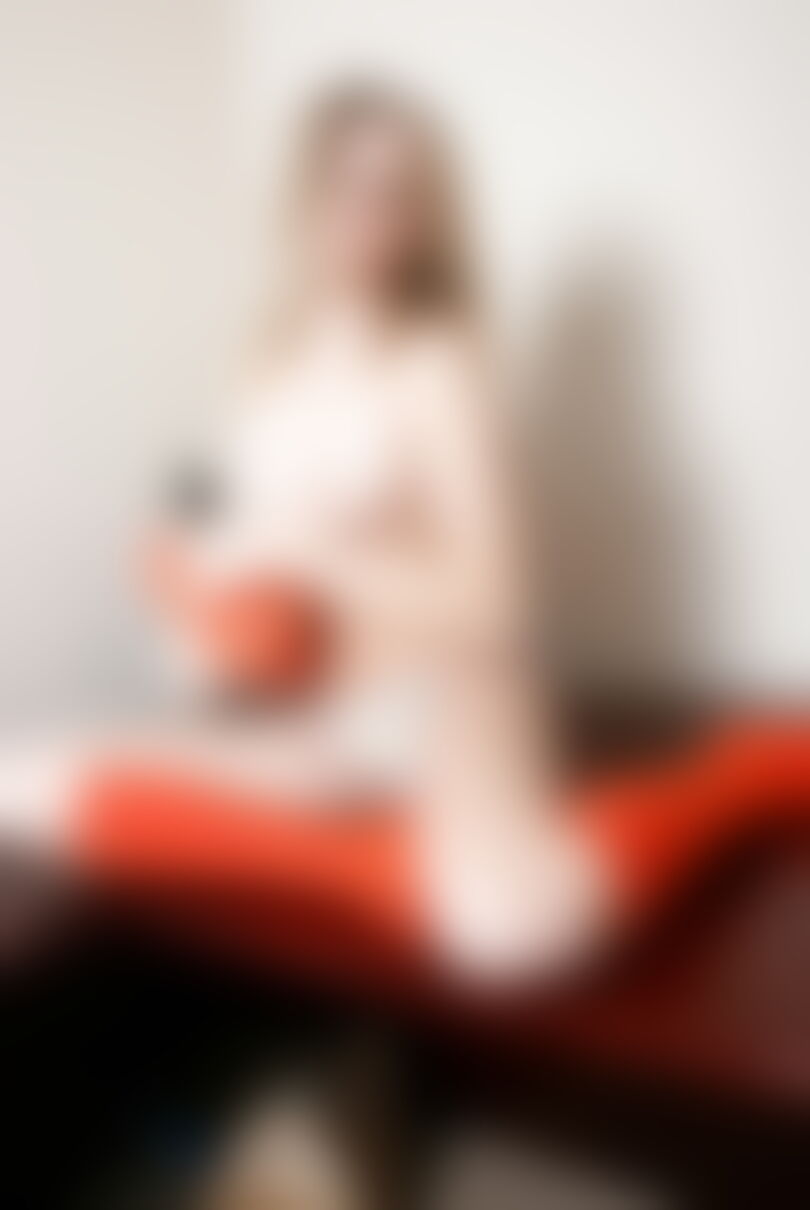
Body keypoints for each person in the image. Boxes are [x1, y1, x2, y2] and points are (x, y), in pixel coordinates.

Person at [1, 83, 806, 985]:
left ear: (427, 220)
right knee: (21, 782)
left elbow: (498, 596)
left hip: (449, 691)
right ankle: (377, 870)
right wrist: (190, 591)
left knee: (507, 930)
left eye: (399, 194)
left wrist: (331, 575)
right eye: (347, 185)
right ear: (304, 194)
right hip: (313, 709)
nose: (370, 217)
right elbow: (233, 536)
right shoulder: (261, 365)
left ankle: (741, 774)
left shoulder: (438, 367)